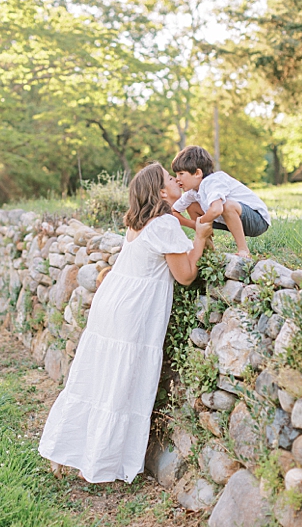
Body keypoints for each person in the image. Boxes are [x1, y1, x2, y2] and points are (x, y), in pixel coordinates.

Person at [38, 162, 213, 484]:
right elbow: (186, 276)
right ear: (161, 193)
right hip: (133, 311)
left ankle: (65, 452)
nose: (176, 181)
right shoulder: (164, 224)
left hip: (113, 303)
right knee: (119, 385)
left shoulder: (141, 222)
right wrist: (200, 237)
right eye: (168, 179)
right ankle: (100, 462)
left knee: (95, 379)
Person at [169, 145, 269, 258]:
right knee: (192, 206)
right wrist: (194, 225)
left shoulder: (213, 181)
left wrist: (201, 222)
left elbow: (217, 209)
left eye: (181, 174)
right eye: (176, 174)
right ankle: (208, 248)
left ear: (197, 173)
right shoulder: (192, 192)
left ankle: (243, 250)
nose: (177, 178)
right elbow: (172, 212)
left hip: (257, 220)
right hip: (231, 220)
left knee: (226, 205)